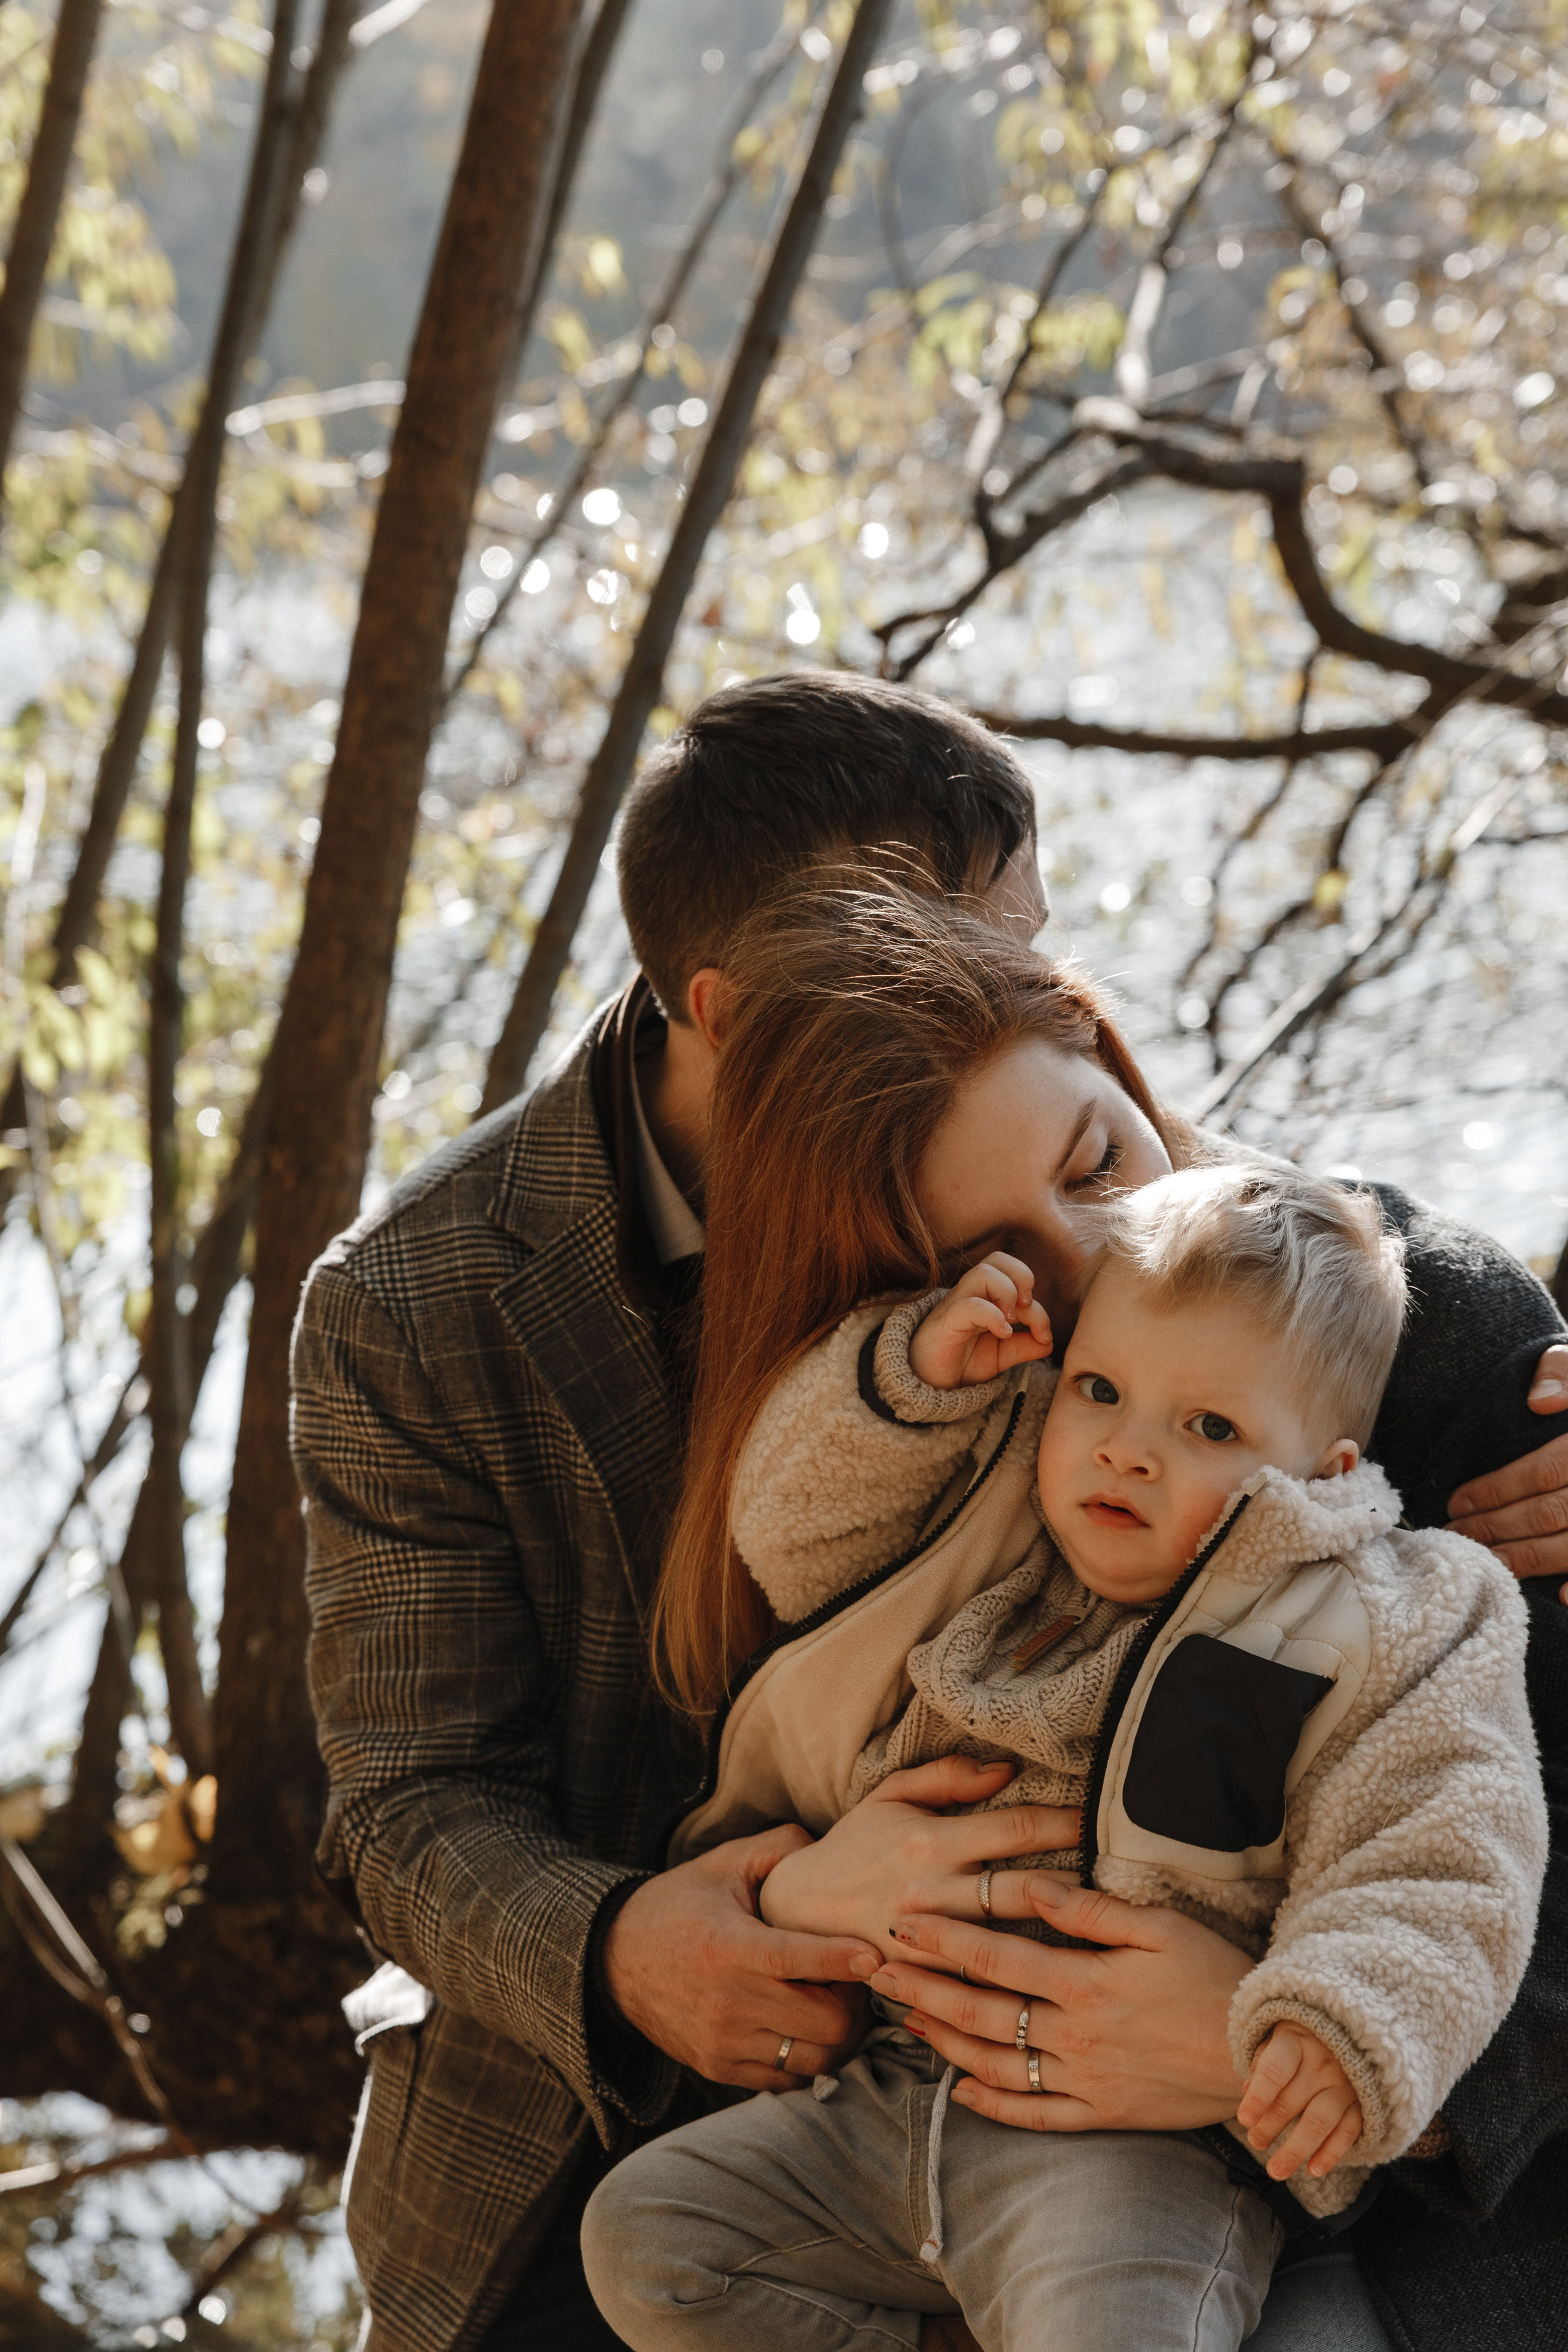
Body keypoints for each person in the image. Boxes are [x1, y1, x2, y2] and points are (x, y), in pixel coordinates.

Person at [294, 675, 1568, 2352]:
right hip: (669, 2097)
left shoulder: (1308, 1304)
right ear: (738, 1017)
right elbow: (409, 1805)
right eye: (933, 959)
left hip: (1213, 2102)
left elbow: (1482, 1796)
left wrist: (1267, 2041)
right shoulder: (422, 1306)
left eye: (1027, 951)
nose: (1001, 994)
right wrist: (640, 1945)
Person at [578, 913, 1548, 2351]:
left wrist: (1319, 2036)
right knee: (647, 2243)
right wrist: (910, 1374)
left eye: (1092, 1162)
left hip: (1143, 2142)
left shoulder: (1377, 1597)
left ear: (1330, 1471)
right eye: (1102, 1392)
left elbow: (1443, 1843)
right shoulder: (1017, 1435)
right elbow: (792, 1525)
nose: (1130, 1448)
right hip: (891, 2096)